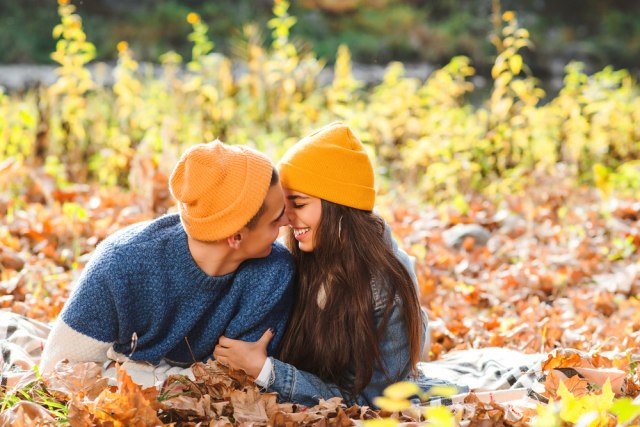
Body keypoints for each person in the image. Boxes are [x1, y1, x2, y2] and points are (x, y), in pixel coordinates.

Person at [40, 140, 294, 384]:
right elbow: (59, 371)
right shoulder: (120, 264)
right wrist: (178, 379)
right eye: (276, 219)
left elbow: (234, 381)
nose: (287, 222)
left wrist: (129, 369)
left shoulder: (274, 273)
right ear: (235, 236)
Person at [213, 122, 428, 407]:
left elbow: (375, 403)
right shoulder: (299, 258)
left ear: (338, 206)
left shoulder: (385, 287)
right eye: (285, 205)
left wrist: (266, 371)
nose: (287, 218)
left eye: (298, 204)